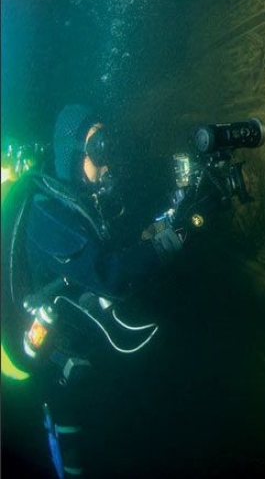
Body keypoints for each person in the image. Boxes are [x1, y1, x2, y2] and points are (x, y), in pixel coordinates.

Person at [2, 105, 186, 478]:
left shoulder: (76, 197)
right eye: (98, 147)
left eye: (108, 144)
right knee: (73, 452)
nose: (107, 160)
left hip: (79, 339)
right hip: (45, 362)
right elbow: (107, 275)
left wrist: (149, 234)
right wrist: (161, 246)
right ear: (73, 152)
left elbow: (105, 249)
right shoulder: (47, 212)